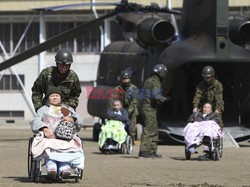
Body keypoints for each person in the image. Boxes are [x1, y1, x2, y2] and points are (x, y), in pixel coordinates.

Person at [30, 86, 84, 179]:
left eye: (57, 95)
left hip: (65, 136)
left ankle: (64, 169)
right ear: (47, 98)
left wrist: (72, 119)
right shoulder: (44, 109)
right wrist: (44, 128)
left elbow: (80, 121)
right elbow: (36, 121)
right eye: (52, 96)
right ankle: (52, 168)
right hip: (48, 136)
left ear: (61, 98)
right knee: (48, 146)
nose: (54, 97)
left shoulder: (66, 109)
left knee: (68, 146)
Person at [138, 64, 169, 159]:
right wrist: (165, 99)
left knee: (154, 130)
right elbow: (157, 96)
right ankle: (144, 151)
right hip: (150, 108)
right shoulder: (156, 82)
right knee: (150, 130)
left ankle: (151, 151)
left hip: (147, 107)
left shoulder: (148, 80)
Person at [112, 68, 138, 141]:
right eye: (123, 78)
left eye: (127, 78)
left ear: (130, 78)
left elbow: (134, 101)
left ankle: (131, 138)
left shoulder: (134, 88)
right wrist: (115, 109)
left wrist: (129, 111)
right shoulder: (118, 88)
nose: (125, 80)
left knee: (132, 126)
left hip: (131, 110)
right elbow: (113, 99)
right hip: (121, 109)